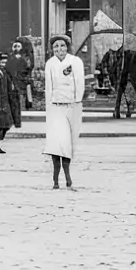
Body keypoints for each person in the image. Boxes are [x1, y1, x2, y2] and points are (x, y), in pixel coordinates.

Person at [42, 34, 85, 189]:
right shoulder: (50, 64)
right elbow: (49, 87)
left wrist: (77, 101)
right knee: (56, 144)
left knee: (67, 145)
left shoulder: (75, 62)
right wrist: (49, 106)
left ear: (67, 47)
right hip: (55, 107)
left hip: (71, 106)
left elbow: (80, 83)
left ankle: (67, 177)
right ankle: (55, 180)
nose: (59, 49)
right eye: (56, 46)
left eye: (62, 46)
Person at [4, 39, 32, 117]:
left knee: (22, 98)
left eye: (18, 46)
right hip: (12, 81)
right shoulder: (10, 58)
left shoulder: (25, 58)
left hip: (22, 82)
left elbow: (28, 69)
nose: (16, 48)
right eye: (15, 46)